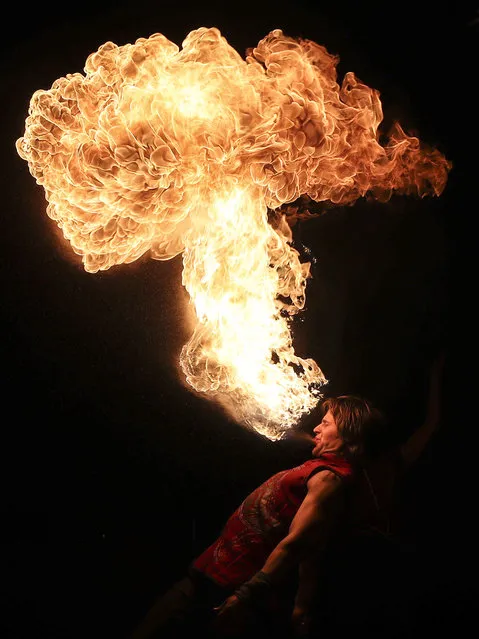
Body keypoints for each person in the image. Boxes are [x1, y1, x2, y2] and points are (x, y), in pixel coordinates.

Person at [129, 351, 445, 639]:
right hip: (210, 577)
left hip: (227, 591)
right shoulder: (319, 469)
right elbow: (312, 548)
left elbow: (299, 543)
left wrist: (247, 596)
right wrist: (301, 604)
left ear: (349, 436)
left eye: (325, 423)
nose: (317, 429)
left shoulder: (331, 479)